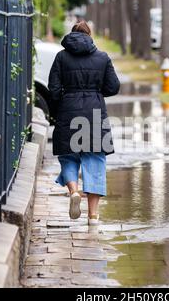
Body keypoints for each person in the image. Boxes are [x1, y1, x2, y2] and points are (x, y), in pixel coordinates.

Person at [47, 21, 120, 226]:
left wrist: (64, 100)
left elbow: (53, 89)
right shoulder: (102, 57)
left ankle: (73, 191)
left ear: (71, 35)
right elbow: (113, 87)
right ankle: (93, 217)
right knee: (95, 161)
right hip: (95, 112)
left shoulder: (61, 57)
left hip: (68, 111)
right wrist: (95, 93)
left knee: (68, 157)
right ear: (90, 35)